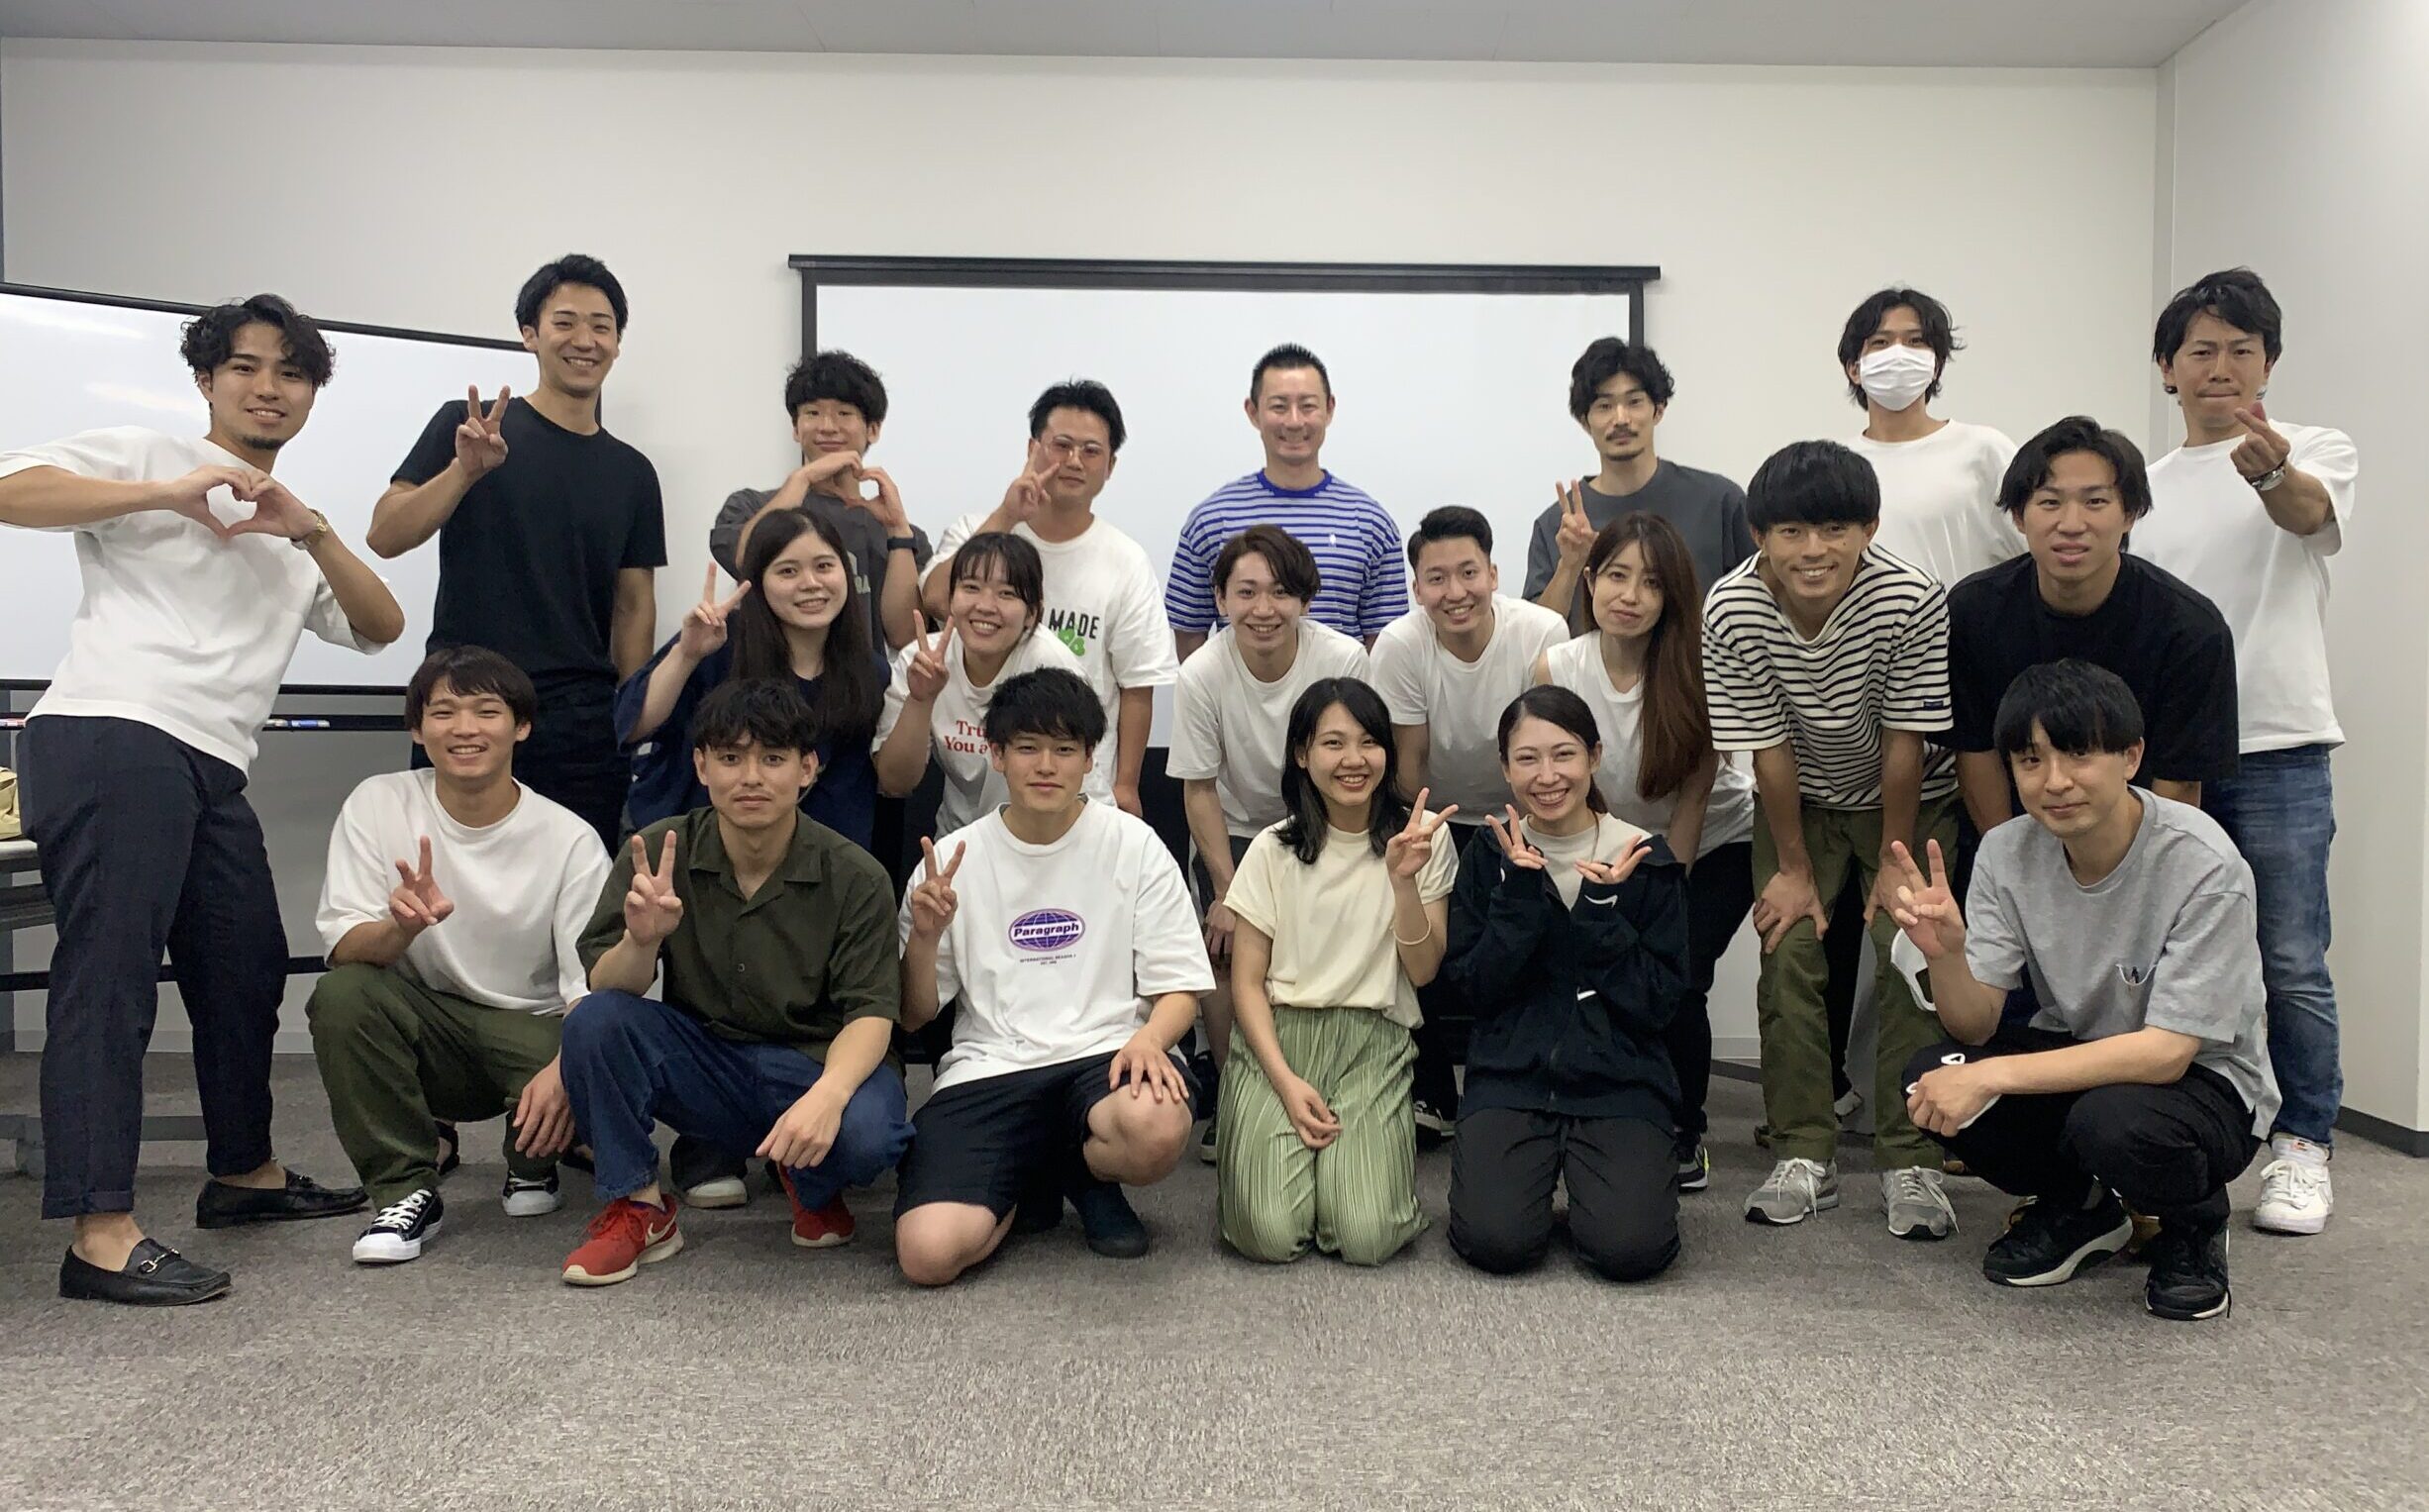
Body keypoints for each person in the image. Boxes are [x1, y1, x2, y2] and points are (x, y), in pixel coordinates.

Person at [0, 294, 402, 1305]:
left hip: (211, 762)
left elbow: (381, 626)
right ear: (206, 380)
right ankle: (99, 1232)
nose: (269, 388)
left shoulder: (290, 529)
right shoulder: (147, 453)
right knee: (110, 976)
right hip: (114, 729)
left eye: (292, 373)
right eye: (247, 367)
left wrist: (312, 530)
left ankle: (244, 1175)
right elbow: (9, 488)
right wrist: (168, 494)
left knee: (245, 965)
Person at [1887, 660, 2276, 1322]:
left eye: (2077, 753)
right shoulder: (2006, 853)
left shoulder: (2203, 863)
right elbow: (1974, 1025)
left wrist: (1993, 1075)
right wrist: (1946, 955)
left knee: (2110, 1122)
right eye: (2030, 759)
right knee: (1929, 1077)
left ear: (2131, 757)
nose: (2055, 781)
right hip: (2087, 1055)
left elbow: (2166, 1054)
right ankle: (2083, 1207)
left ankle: (2193, 1222)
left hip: (2206, 1083)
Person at [2128, 268, 2358, 1238]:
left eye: (2240, 350)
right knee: (2157, 953)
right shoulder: (2139, 487)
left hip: (2275, 749)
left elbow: (2303, 514)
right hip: (2164, 758)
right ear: (2166, 368)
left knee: (2288, 957)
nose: (2219, 367)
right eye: (2200, 351)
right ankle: (2166, 1140)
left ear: (2267, 364)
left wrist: (2265, 471)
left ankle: (2302, 1146)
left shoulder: (2310, 449)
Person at [557, 679, 914, 1286]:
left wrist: (826, 1099)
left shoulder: (855, 875)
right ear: (701, 766)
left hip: (812, 1066)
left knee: (869, 1136)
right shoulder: (658, 852)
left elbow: (871, 1014)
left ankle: (809, 1176)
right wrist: (641, 941)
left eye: (773, 759)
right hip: (707, 1064)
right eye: (730, 758)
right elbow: (608, 986)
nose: (751, 778)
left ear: (807, 769)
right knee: (595, 1020)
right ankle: (639, 1207)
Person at [1701, 440, 1959, 1237]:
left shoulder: (1909, 597)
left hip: (1911, 796)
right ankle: (1803, 1151)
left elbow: (1904, 740)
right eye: (1790, 531)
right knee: (1787, 954)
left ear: (1868, 529)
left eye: (1834, 529)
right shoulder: (1730, 608)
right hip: (1801, 799)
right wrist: (1791, 866)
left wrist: (1894, 860)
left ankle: (1910, 1158)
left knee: (1908, 952)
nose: (1812, 550)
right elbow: (1767, 748)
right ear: (1759, 535)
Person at [893, 669, 1213, 1285]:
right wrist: (926, 937)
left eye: (1065, 749)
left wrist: (1150, 1041)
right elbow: (913, 1015)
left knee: (1156, 1123)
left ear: (1090, 759)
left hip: (1105, 1055)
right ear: (996, 755)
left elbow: (1180, 988)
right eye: (1027, 748)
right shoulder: (952, 863)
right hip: (990, 1065)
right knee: (927, 1257)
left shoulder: (1134, 845)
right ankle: (1025, 1177)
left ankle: (1081, 1172)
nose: (1046, 766)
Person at [307, 647, 609, 1264]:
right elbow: (343, 946)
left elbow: (591, 990)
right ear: (418, 730)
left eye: (486, 711)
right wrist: (400, 930)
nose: (464, 729)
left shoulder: (570, 839)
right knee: (342, 995)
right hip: (427, 1024)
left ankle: (532, 1163)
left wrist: (565, 1072)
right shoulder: (378, 802)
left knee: (593, 1053)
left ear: (521, 726)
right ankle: (405, 1191)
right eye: (443, 713)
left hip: (528, 1030)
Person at [371, 253, 666, 848]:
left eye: (602, 326)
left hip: (581, 724)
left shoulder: (633, 472)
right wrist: (464, 471)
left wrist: (629, 718)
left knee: (580, 885)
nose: (585, 340)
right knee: (445, 879)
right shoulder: (468, 426)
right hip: (466, 703)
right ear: (530, 335)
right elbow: (386, 535)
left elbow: (634, 605)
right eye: (565, 322)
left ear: (617, 343)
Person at [1534, 513, 1755, 1189]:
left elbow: (1693, 801)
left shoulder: (1696, 668)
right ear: (1591, 581)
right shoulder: (1557, 665)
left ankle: (1685, 1131)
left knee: (1676, 976)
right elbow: (1556, 780)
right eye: (1616, 576)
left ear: (1671, 596)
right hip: (1606, 842)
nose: (1629, 595)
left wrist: (1655, 894)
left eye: (1650, 583)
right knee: (1595, 971)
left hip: (1712, 844)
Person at [1443, 687, 1688, 1281]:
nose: (1547, 776)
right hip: (1511, 1076)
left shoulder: (1643, 858)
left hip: (1619, 1080)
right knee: (1496, 1243)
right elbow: (1471, 990)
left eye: (1564, 754)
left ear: (1595, 757)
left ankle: (1633, 1170)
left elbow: (1661, 1004)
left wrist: (1602, 915)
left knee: (1630, 1252)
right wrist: (1517, 902)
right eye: (1527, 759)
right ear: (1505, 768)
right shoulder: (1490, 855)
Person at [1216, 678, 1452, 1265]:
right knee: (1268, 1234)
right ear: (1302, 754)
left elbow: (1423, 972)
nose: (1354, 759)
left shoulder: (1424, 839)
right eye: (1333, 743)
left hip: (1373, 1043)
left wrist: (1403, 882)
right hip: (1278, 1040)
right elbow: (1246, 983)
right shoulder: (1271, 848)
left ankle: (1335, 1184)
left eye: (1369, 742)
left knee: (1367, 1236)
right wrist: (1284, 1081)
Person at [1369, 507, 1570, 1140]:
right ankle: (1432, 1092)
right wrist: (1420, 840)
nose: (1454, 592)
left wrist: (1529, 831)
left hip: (1527, 811)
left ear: (1493, 574)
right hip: (1439, 814)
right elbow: (1409, 762)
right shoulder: (1400, 645)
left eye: (1468, 573)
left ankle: (1533, 1082)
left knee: (1531, 941)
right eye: (1436, 579)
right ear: (1417, 588)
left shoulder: (1541, 630)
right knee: (1417, 934)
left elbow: (1550, 748)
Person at [1168, 525, 1368, 1159]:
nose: (1263, 608)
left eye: (1280, 592)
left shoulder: (1341, 659)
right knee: (1225, 945)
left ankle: (1337, 1081)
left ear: (1305, 599)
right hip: (1233, 827)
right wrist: (1229, 894)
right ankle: (1236, 1093)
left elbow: (1355, 765)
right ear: (1220, 599)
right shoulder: (1201, 672)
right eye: (1246, 592)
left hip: (1323, 814)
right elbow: (1199, 787)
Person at [1948, 415, 2238, 837]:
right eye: (2050, 502)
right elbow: (1975, 752)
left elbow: (2179, 782)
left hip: (2140, 842)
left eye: (2095, 502)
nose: (2071, 524)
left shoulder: (2190, 629)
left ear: (2130, 514)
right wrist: (2013, 858)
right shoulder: (1974, 612)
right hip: (2013, 835)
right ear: (2019, 517)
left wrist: (2137, 867)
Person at [921, 381, 1178, 818]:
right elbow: (936, 600)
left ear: (1110, 465)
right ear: (1032, 448)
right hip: (972, 803)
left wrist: (1126, 785)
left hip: (1077, 797)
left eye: (1091, 451)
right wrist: (1008, 515)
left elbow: (1137, 684)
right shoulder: (978, 529)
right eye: (1062, 445)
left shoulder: (1126, 559)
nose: (1074, 461)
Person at [619, 508, 888, 851]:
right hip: (684, 845)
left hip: (801, 859)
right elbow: (632, 726)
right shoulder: (716, 641)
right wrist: (686, 655)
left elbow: (849, 799)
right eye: (788, 571)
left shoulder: (868, 672)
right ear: (757, 582)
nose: (811, 583)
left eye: (824, 566)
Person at [1165, 345, 1408, 656]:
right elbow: (1189, 640)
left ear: (1329, 409)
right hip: (1238, 690)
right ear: (1253, 412)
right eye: (1279, 407)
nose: (1294, 421)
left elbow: (1385, 647)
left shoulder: (1371, 523)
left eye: (1307, 406)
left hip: (1342, 687)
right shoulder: (1211, 520)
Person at [873, 531, 1107, 837]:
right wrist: (921, 700)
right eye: (971, 588)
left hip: (1047, 838)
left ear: (1032, 613)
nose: (985, 605)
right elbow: (894, 783)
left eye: (1006, 593)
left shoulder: (1053, 665)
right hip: (962, 838)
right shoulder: (921, 660)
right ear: (951, 599)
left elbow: (1080, 786)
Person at [708, 350, 932, 653]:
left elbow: (904, 636)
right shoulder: (749, 507)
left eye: (844, 414)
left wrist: (898, 531)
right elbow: (746, 559)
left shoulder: (903, 535)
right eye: (812, 413)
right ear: (795, 428)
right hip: (770, 677)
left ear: (873, 429)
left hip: (862, 678)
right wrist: (802, 479)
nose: (827, 426)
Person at [1525, 338, 1752, 633]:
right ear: (1584, 421)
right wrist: (1569, 567)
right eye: (1604, 406)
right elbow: (1535, 638)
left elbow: (1762, 602)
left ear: (1658, 410)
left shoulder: (1720, 501)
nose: (1621, 419)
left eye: (1634, 402)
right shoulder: (1558, 525)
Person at [1838, 287, 2026, 588]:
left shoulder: (1984, 450)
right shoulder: (1837, 465)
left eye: (1915, 341)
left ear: (1935, 365)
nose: (1898, 353)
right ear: (1854, 369)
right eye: (1881, 342)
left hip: (1961, 618)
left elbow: (2035, 552)